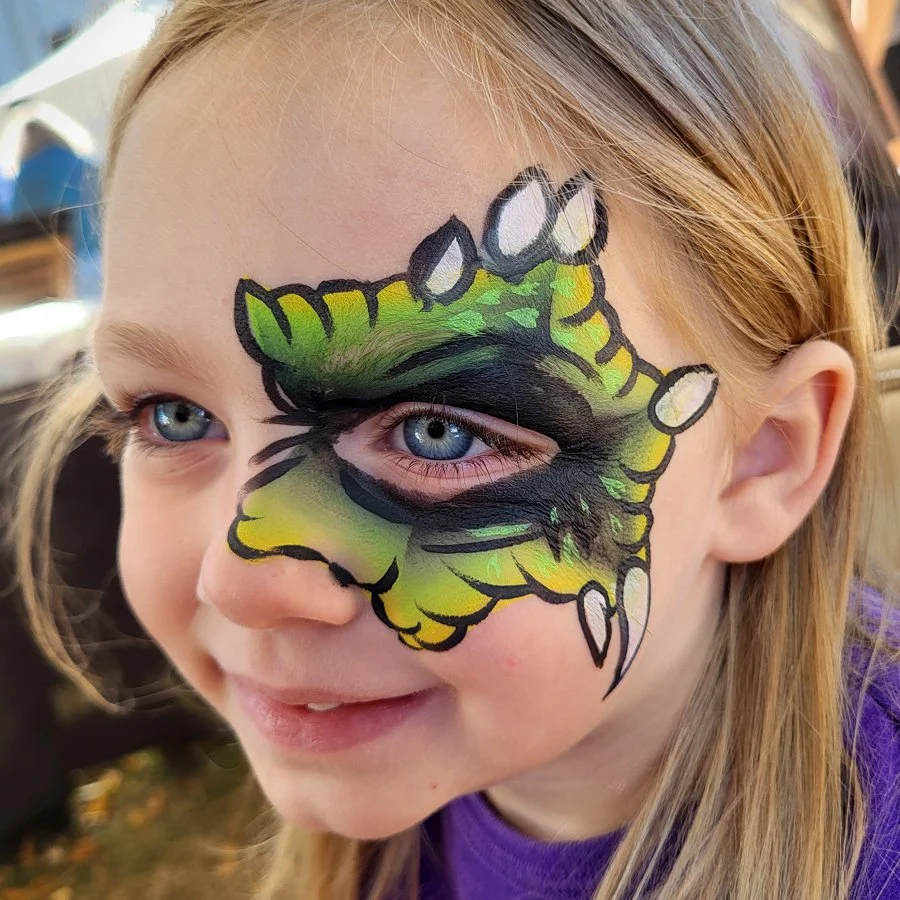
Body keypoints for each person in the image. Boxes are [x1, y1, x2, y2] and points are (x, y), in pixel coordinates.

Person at [10, 0, 900, 897]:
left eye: (440, 431)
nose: (238, 581)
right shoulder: (408, 808)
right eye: (173, 417)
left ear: (760, 459)